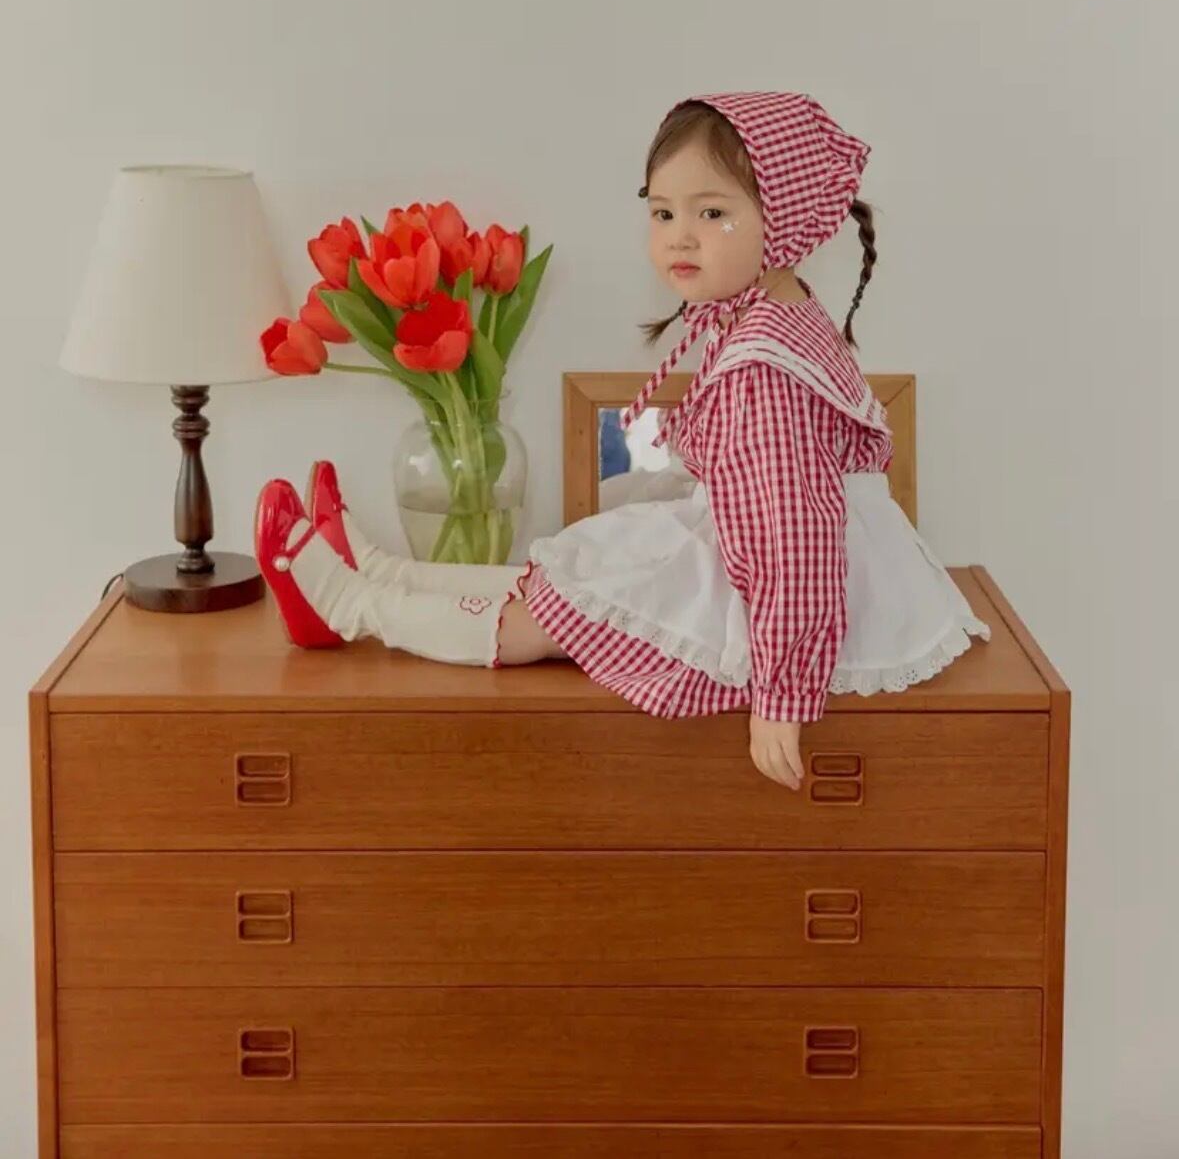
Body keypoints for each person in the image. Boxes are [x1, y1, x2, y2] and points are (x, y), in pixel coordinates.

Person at [254, 90, 989, 790]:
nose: (679, 236)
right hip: (772, 556)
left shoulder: (763, 372)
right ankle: (383, 571)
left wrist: (781, 694)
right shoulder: (775, 310)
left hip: (786, 587)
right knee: (556, 585)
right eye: (663, 212)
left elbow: (793, 537)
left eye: (712, 212)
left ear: (787, 220)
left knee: (535, 625)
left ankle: (350, 602)